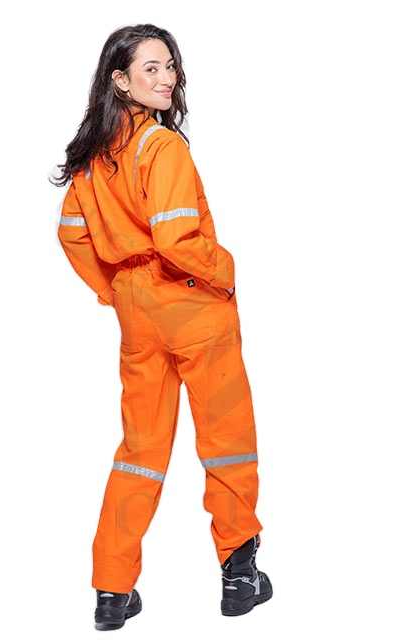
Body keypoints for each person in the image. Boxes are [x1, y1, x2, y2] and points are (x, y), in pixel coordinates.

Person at [51, 24, 273, 629]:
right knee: (227, 438)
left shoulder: (93, 159)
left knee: (140, 451)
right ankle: (240, 575)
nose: (167, 78)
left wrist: (113, 289)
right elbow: (176, 240)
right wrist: (224, 270)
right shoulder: (161, 146)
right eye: (150, 68)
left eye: (170, 65)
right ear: (119, 81)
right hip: (191, 305)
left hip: (138, 316)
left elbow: (72, 234)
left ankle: (112, 589)